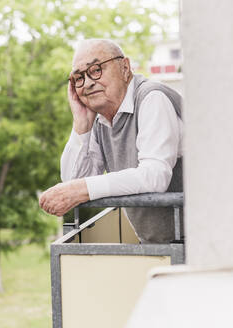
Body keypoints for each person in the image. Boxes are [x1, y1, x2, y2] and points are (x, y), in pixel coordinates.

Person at [38, 39, 183, 243]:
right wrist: (81, 125)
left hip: (201, 244)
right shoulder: (101, 120)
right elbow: (73, 182)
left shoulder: (153, 98)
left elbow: (155, 175)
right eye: (78, 77)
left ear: (125, 67)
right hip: (163, 247)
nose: (87, 83)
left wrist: (82, 190)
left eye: (96, 70)